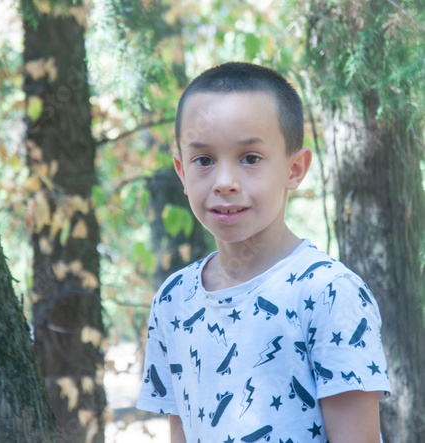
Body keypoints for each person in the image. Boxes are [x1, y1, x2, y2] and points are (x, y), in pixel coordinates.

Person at [136, 62, 391, 443]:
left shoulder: (329, 293)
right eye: (203, 160)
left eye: (250, 158)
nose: (225, 182)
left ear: (295, 168)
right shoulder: (173, 301)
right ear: (181, 172)